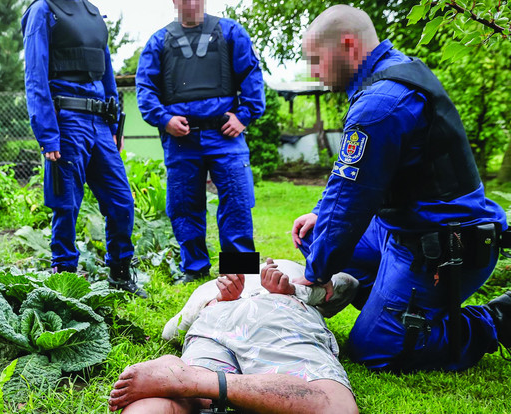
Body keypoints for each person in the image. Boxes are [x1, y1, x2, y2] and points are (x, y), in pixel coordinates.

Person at [288, 4, 510, 372]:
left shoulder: (381, 103)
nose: (313, 72)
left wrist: (315, 275)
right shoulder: (393, 73)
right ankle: (391, 299)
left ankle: (496, 319)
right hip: (401, 227)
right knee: (315, 235)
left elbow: (349, 204)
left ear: (347, 45)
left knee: (373, 347)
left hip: (444, 243)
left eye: (316, 60)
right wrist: (317, 216)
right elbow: (348, 180)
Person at [21, 0, 146, 298]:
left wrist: (115, 124)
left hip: (100, 122)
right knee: (66, 205)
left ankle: (119, 272)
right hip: (66, 120)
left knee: (122, 201)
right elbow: (35, 75)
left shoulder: (92, 13)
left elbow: (106, 71)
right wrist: (47, 132)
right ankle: (65, 278)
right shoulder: (43, 9)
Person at [135, 0, 265, 283]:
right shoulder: (159, 41)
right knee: (183, 205)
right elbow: (145, 89)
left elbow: (252, 76)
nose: (190, 2)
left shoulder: (231, 32)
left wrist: (244, 116)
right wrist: (164, 119)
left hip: (225, 135)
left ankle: (239, 270)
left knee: (237, 202)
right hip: (181, 138)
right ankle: (194, 269)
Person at [108, 267, 359, 413]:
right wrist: (293, 290)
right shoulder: (300, 270)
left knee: (169, 401)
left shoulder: (208, 289)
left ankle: (190, 379)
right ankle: (195, 381)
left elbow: (171, 332)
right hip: (279, 314)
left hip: (216, 321)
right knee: (333, 405)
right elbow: (347, 284)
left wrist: (218, 299)